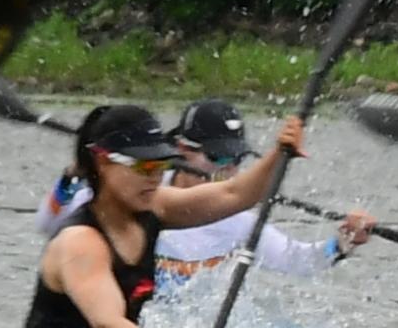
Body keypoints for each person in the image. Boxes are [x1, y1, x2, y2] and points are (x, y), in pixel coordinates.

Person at [0, 101, 312, 328]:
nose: (154, 176)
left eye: (161, 164)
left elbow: (233, 194)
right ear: (103, 162)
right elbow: (110, 324)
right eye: (144, 165)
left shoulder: (155, 207)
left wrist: (278, 154)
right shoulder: (81, 241)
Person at [149, 98, 375, 288]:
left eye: (237, 159)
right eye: (218, 157)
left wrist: (343, 242)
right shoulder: (146, 196)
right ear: (181, 148)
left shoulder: (239, 220)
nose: (228, 169)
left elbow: (298, 261)